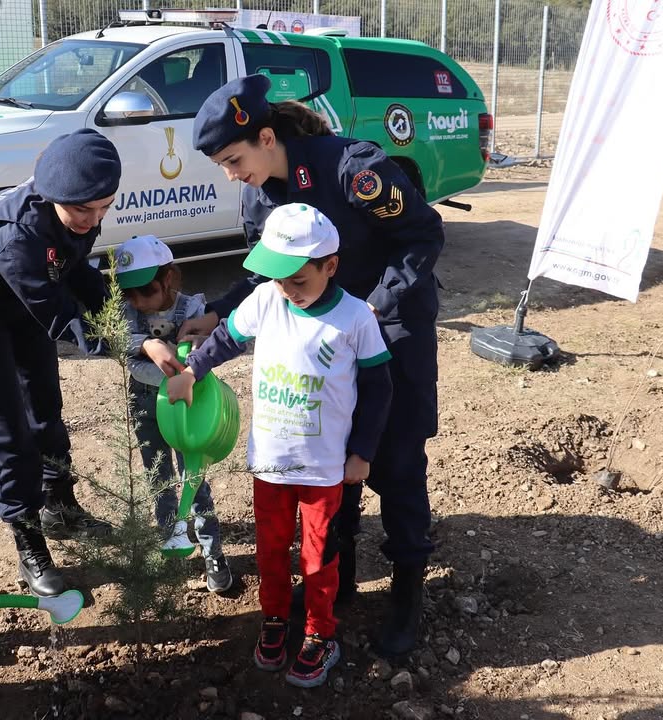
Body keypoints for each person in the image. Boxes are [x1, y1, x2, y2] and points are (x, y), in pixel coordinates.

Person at [187, 74, 445, 659]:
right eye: (222, 165)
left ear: (268, 136)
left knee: (395, 459)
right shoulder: (258, 193)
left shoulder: (352, 171)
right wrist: (218, 313)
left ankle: (408, 592)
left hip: (390, 323)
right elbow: (264, 274)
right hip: (319, 336)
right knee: (329, 456)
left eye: (233, 159)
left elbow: (422, 234)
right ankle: (341, 575)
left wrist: (372, 307)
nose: (230, 174)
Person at [166, 203, 392, 688]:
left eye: (298, 280)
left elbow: (379, 389)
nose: (288, 289)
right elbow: (226, 337)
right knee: (271, 550)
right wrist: (190, 372)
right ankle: (274, 619)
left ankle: (319, 633)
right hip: (270, 464)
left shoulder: (355, 318)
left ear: (330, 266)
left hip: (324, 469)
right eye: (280, 277)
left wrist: (363, 452)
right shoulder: (267, 299)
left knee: (318, 556)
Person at [0, 129, 116, 597]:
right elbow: (58, 314)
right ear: (52, 194)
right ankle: (30, 542)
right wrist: (128, 345)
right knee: (7, 432)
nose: (93, 218)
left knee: (46, 407)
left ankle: (59, 508)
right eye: (83, 210)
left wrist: (117, 310)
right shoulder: (19, 231)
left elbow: (73, 267)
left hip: (23, 309)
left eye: (103, 207)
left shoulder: (79, 202)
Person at [112, 234, 232, 593]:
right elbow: (121, 346)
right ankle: (173, 538)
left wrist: (194, 359)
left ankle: (213, 552)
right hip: (147, 409)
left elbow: (207, 355)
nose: (137, 301)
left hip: (187, 410)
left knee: (194, 480)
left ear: (168, 279)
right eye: (128, 293)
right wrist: (150, 350)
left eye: (144, 291)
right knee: (158, 479)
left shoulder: (192, 310)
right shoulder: (127, 312)